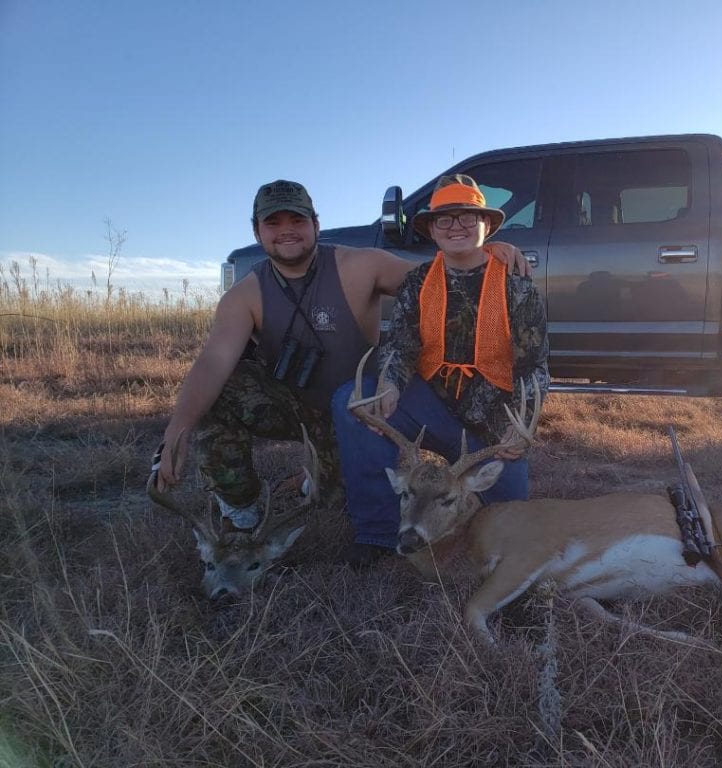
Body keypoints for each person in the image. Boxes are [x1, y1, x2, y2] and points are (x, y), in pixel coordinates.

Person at [154, 179, 528, 545]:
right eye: (273, 223)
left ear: (316, 224)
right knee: (218, 392)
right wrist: (177, 430)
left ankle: (318, 475)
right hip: (295, 406)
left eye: (297, 221)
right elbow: (213, 361)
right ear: (257, 231)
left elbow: (438, 281)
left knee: (335, 501)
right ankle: (242, 509)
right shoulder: (244, 295)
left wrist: (484, 252)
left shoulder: (360, 265)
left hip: (359, 414)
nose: (287, 232)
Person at [332, 174, 550, 568]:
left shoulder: (518, 286)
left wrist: (517, 430)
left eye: (469, 217)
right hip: (430, 407)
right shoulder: (418, 282)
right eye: (445, 219)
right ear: (431, 229)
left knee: (509, 512)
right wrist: (391, 385)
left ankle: (453, 515)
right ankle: (379, 531)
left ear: (487, 226)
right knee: (352, 402)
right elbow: (400, 344)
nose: (457, 226)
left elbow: (533, 366)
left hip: (490, 423)